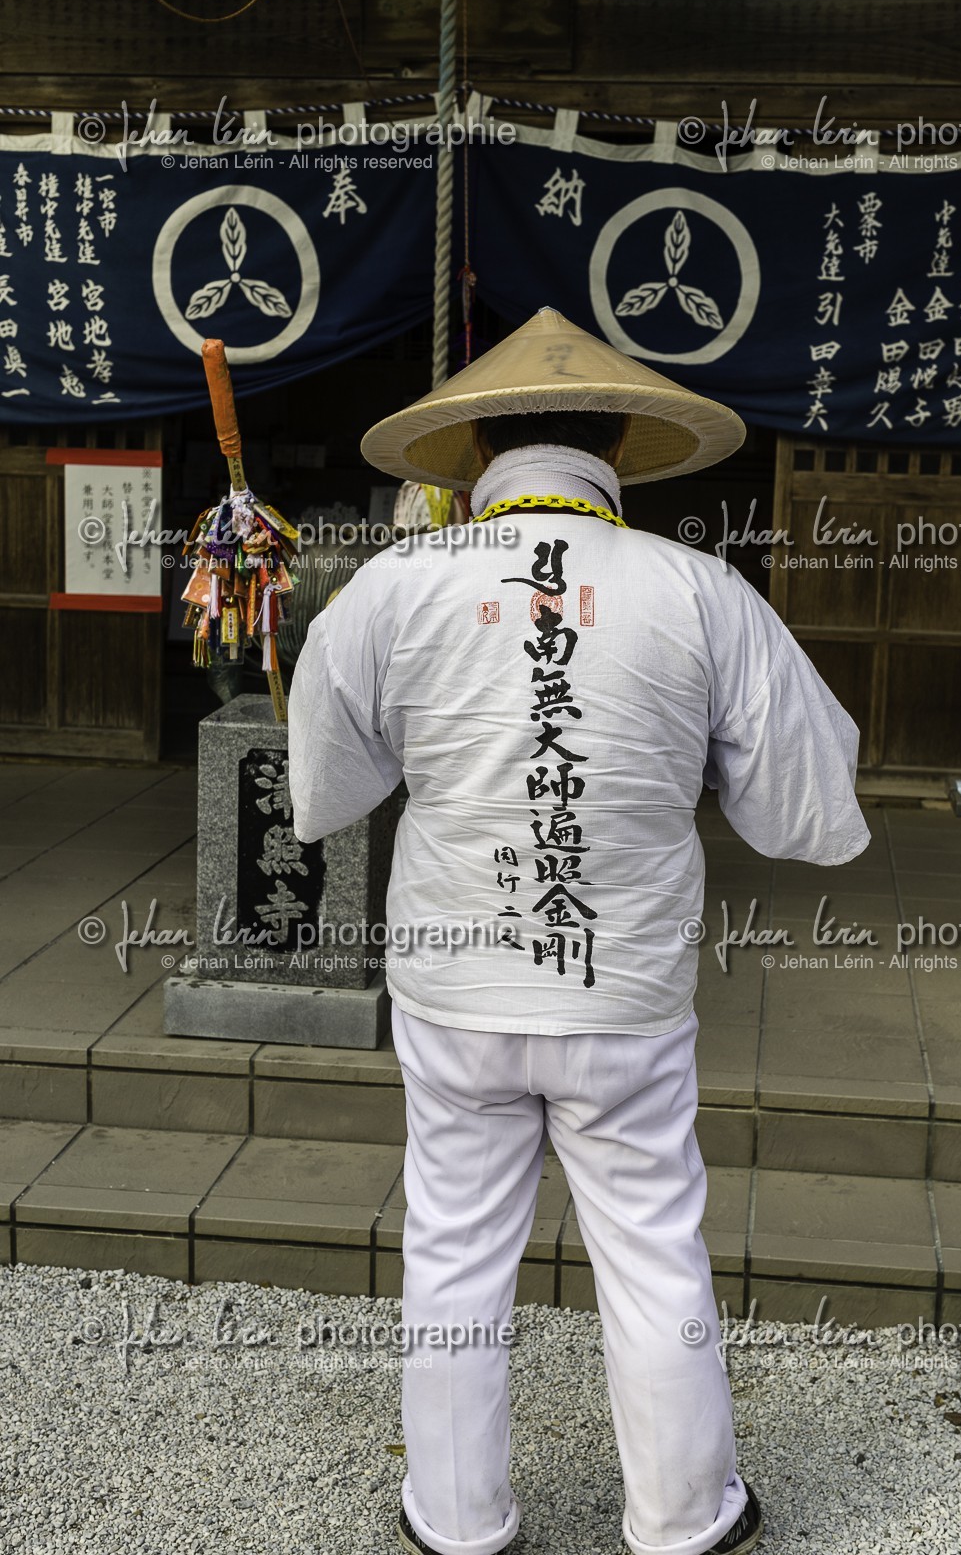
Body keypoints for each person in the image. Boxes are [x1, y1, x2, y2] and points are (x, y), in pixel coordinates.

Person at [287, 307, 870, 1555]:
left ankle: (454, 1518)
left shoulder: (393, 591)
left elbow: (326, 791)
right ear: (617, 440)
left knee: (451, 1248)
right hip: (624, 995)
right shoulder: (700, 591)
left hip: (454, 985)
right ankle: (678, 1516)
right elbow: (802, 810)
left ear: (476, 448)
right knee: (654, 1245)